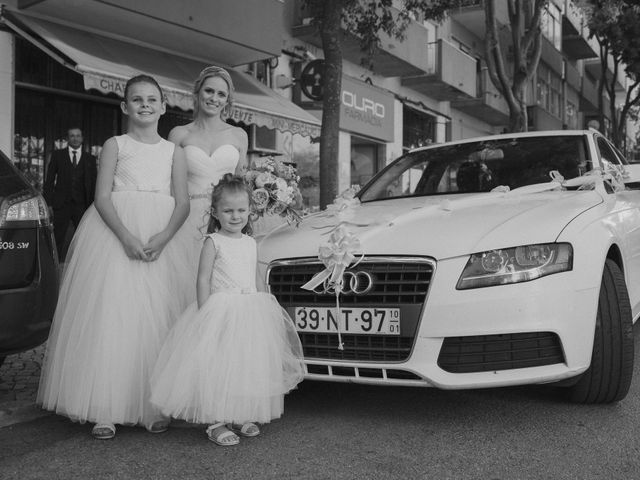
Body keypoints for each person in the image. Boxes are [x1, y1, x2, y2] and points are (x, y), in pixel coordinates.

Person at [37, 75, 190, 440]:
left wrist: (163, 237)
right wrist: (125, 236)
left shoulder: (174, 151)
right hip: (115, 234)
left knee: (156, 319)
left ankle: (152, 404)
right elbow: (102, 196)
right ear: (124, 106)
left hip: (161, 236)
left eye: (152, 99)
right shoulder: (114, 145)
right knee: (113, 315)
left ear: (163, 107)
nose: (145, 105)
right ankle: (104, 406)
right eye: (137, 99)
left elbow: (183, 202)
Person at [150, 174, 304, 446]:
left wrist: (266, 304)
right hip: (220, 308)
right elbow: (202, 278)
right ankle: (216, 421)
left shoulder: (249, 242)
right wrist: (204, 312)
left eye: (241, 210)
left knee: (245, 364)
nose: (235, 216)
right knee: (218, 366)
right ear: (215, 212)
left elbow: (255, 276)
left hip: (249, 309)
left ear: (250, 212)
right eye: (228, 211)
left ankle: (240, 413)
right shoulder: (213, 241)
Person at [169, 66, 248, 306]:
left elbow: (240, 186)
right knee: (186, 283)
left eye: (221, 94)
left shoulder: (238, 135)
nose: (214, 98)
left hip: (225, 220)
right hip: (187, 218)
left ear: (227, 100)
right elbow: (171, 185)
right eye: (209, 91)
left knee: (224, 283)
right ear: (198, 92)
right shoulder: (179, 134)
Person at [43, 127, 97, 260]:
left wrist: (94, 205)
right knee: (58, 236)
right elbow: (49, 180)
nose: (75, 138)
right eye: (72, 136)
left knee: (83, 236)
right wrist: (48, 203)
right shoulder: (58, 155)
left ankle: (81, 262)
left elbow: (94, 182)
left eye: (78, 135)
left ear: (82, 138)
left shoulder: (89, 158)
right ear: (67, 139)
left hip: (82, 204)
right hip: (61, 204)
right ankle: (53, 263)